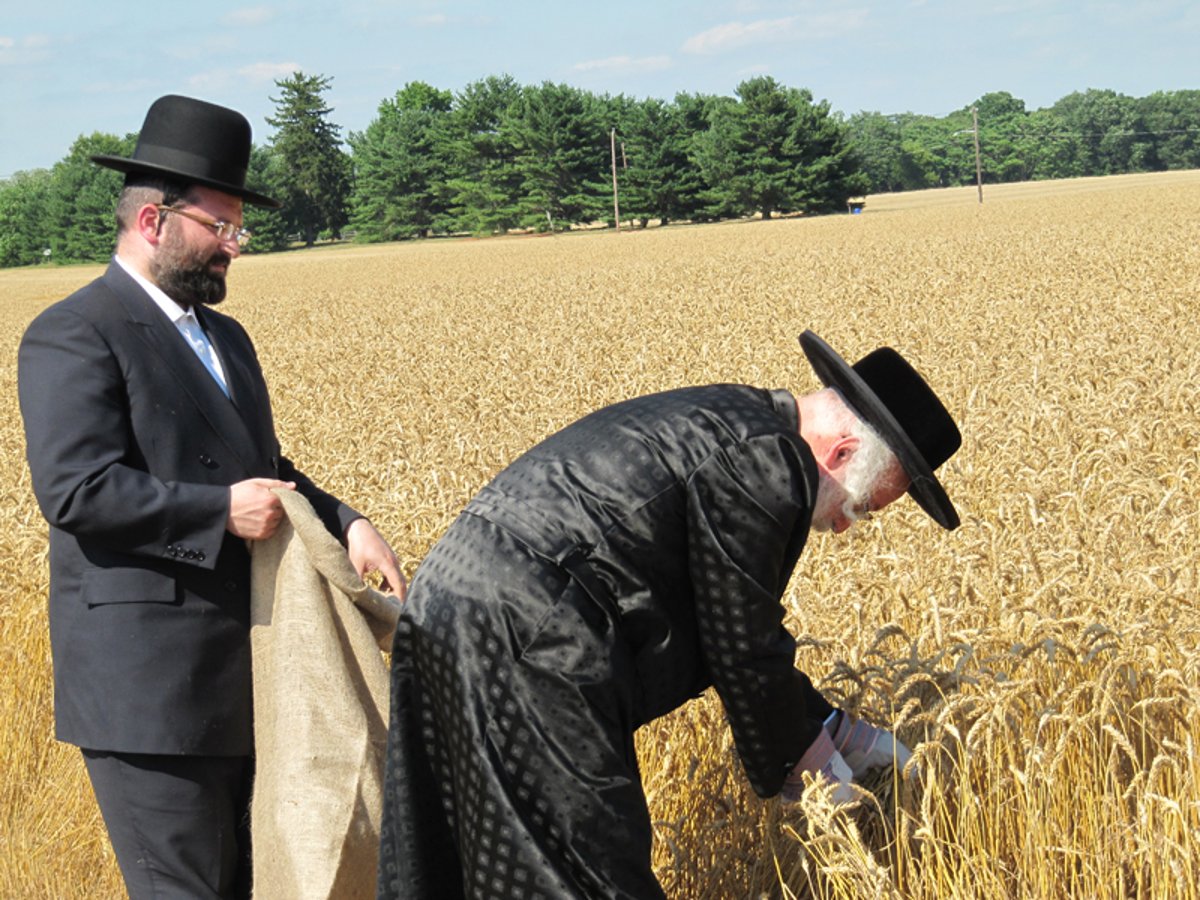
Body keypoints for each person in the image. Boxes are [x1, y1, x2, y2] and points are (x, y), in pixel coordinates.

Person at [376, 330, 962, 899]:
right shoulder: (767, 459)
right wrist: (813, 773)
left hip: (451, 597)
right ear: (844, 451)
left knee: (462, 854)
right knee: (586, 868)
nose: (842, 526)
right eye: (860, 507)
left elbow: (720, 623)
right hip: (529, 629)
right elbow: (740, 643)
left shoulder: (737, 419)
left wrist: (832, 729)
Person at [17, 94, 404, 900]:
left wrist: (346, 522)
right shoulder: (74, 332)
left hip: (250, 681)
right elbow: (77, 490)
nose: (236, 246)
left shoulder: (223, 335)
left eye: (238, 229)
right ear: (154, 221)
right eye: (221, 227)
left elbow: (263, 464)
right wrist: (217, 513)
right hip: (151, 699)